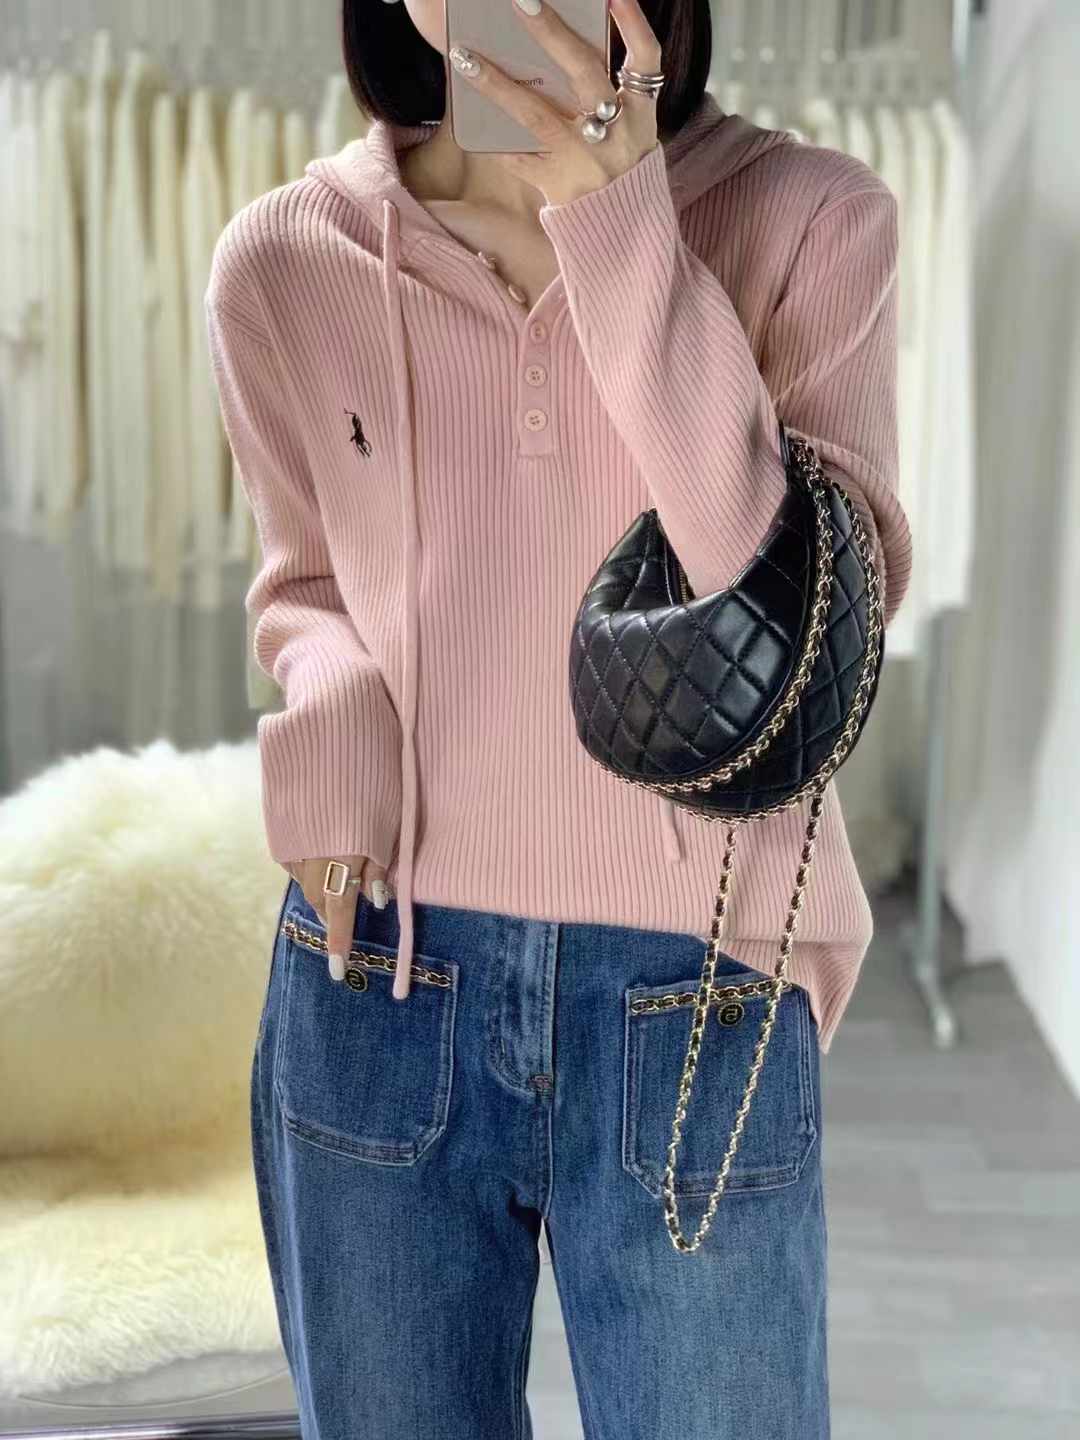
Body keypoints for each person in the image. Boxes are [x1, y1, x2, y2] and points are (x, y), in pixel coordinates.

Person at [205, 1, 912, 1435]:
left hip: (693, 983)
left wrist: (619, 217)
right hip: (379, 974)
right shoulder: (287, 257)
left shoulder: (814, 223)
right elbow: (309, 586)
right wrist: (332, 731)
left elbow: (790, 620)